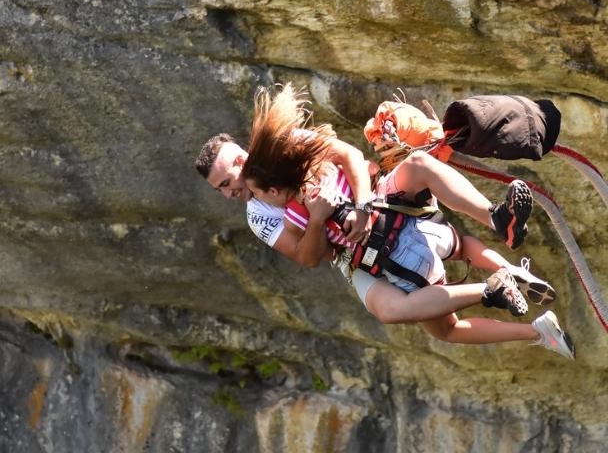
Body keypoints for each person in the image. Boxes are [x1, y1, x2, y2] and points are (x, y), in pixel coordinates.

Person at [237, 84, 574, 359]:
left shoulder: (296, 205)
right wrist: (337, 211)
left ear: (275, 188)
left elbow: (315, 254)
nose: (253, 199)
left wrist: (354, 209)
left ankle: (492, 287)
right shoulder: (311, 160)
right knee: (436, 201)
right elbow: (356, 166)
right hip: (410, 225)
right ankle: (502, 240)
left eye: (257, 193)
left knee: (419, 318)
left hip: (387, 251)